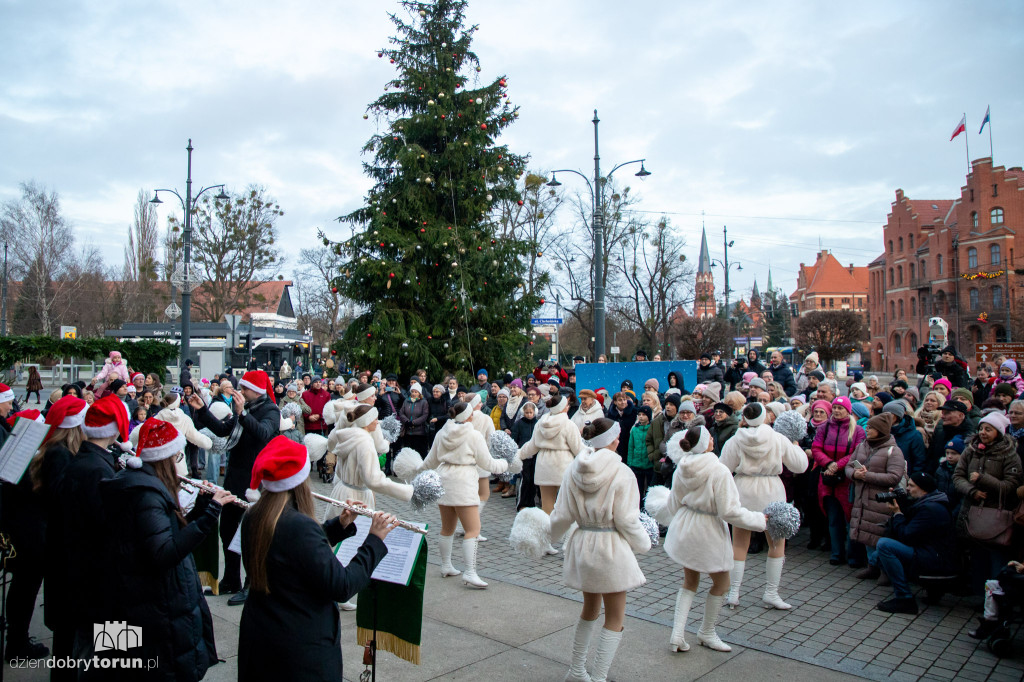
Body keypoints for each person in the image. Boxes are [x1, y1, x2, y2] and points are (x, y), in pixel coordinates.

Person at [238, 435, 396, 681]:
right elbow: (342, 585)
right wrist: (374, 540)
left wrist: (340, 524)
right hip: (299, 646)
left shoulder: (255, 515)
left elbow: (292, 551)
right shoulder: (299, 526)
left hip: (262, 636)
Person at [97, 419, 231, 680]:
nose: (178, 462)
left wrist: (203, 505)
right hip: (152, 605)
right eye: (176, 455)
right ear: (165, 459)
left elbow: (169, 534)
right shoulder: (147, 495)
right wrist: (211, 514)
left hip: (140, 599)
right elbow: (164, 553)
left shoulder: (138, 483)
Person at [551, 418, 651, 682]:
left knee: (589, 609)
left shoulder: (573, 469)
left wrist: (547, 538)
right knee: (615, 616)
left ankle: (576, 670)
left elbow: (561, 515)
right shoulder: (623, 472)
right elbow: (627, 519)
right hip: (610, 546)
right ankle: (599, 677)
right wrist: (644, 543)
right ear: (615, 440)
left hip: (583, 543)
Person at [663, 426, 767, 653]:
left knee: (690, 581)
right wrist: (760, 519)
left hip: (685, 526)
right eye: (709, 437)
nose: (712, 439)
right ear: (704, 444)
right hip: (708, 530)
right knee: (722, 583)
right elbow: (729, 511)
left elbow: (673, 503)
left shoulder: (682, 466)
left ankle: (677, 634)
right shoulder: (719, 471)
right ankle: (706, 632)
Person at [0, 395, 86, 664]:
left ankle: (17, 639)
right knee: (26, 589)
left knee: (24, 588)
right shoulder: (59, 453)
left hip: (27, 526)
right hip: (33, 532)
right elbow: (58, 499)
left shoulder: (49, 448)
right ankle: (16, 643)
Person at [192, 370, 280, 605]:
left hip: (255, 481)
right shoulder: (248, 409)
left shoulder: (270, 410)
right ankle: (231, 579)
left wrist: (241, 414)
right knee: (228, 529)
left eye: (245, 389)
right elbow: (223, 430)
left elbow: (263, 433)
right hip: (234, 477)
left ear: (257, 390)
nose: (240, 392)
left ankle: (253, 584)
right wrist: (202, 410)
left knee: (252, 535)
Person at [54, 396, 129, 665]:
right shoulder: (99, 470)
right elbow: (110, 528)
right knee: (112, 658)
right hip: (99, 580)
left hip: (75, 574)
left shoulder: (82, 459)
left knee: (72, 648)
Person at [720, 402, 808, 609]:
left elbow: (723, 468)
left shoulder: (736, 440)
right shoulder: (779, 439)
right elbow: (800, 465)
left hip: (743, 488)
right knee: (777, 543)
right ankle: (771, 592)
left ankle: (734, 593)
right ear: (765, 417)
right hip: (772, 489)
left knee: (739, 542)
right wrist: (794, 444)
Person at [422, 402, 518, 588]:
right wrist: (507, 464)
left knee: (447, 528)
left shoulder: (442, 433)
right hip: (464, 481)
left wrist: (415, 469)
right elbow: (488, 463)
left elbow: (430, 460)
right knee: (473, 529)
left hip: (444, 479)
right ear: (467, 416)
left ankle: (446, 565)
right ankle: (470, 572)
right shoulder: (473, 435)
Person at [952, 412, 1023, 594]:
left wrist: (983, 480)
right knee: (978, 557)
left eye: (988, 429)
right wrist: (972, 490)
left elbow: (1011, 485)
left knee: (996, 557)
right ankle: (980, 595)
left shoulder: (1009, 455)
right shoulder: (971, 450)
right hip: (973, 510)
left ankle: (995, 597)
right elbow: (958, 476)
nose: (983, 432)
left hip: (997, 515)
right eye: (981, 428)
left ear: (998, 432)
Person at [869, 472, 956, 614]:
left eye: (911, 486)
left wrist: (897, 513)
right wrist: (901, 501)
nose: (907, 489)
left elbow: (906, 535)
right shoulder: (933, 502)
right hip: (936, 554)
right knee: (877, 556)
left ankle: (904, 598)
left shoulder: (930, 509)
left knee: (884, 546)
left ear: (923, 489)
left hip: (934, 559)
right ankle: (933, 592)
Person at [845, 414, 906, 579]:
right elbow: (849, 466)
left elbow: (894, 476)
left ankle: (885, 569)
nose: (867, 429)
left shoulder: (893, 451)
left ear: (880, 431)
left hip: (880, 501)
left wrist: (867, 476)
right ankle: (872, 565)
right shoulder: (862, 446)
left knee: (879, 534)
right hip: (862, 498)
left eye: (871, 427)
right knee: (866, 534)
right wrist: (855, 474)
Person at [812, 396, 866, 566]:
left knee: (850, 519)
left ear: (848, 411)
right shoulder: (825, 428)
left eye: (840, 408)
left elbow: (858, 452)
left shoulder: (857, 430)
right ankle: (837, 553)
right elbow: (816, 448)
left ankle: (853, 555)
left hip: (847, 480)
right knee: (833, 519)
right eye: (834, 408)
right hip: (828, 479)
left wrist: (837, 465)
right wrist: (828, 463)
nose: (836, 411)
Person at [517, 395, 583, 516]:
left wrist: (519, 455)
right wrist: (593, 454)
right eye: (567, 405)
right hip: (563, 466)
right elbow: (578, 448)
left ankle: (547, 532)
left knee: (547, 507)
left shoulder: (541, 423)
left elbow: (532, 446)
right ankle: (565, 533)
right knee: (567, 506)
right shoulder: (569, 424)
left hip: (543, 466)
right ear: (563, 408)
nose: (568, 407)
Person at [926, 400, 975, 476]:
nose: (942, 416)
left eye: (947, 413)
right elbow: (931, 456)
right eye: (942, 413)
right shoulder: (940, 431)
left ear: (961, 415)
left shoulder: (969, 437)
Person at [884, 401, 927, 475]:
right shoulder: (882, 431)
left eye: (889, 414)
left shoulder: (914, 435)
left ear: (897, 415)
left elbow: (919, 461)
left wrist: (912, 480)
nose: (885, 417)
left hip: (904, 477)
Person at [509, 400, 540, 503]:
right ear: (523, 413)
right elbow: (514, 438)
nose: (529, 415)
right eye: (527, 413)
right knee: (525, 479)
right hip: (523, 454)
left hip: (536, 455)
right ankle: (522, 501)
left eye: (531, 412)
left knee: (534, 479)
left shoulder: (538, 423)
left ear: (535, 412)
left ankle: (533, 500)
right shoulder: (519, 424)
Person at [627, 405, 654, 503]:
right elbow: (631, 447)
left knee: (649, 488)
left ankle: (648, 506)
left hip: (649, 464)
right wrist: (630, 462)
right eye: (639, 415)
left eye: (644, 415)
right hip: (636, 463)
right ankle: (639, 506)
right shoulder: (634, 429)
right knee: (638, 488)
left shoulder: (652, 428)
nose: (641, 417)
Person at [606, 391, 637, 463]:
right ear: (615, 402)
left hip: (630, 444)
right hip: (617, 446)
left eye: (624, 399)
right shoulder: (610, 414)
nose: (623, 402)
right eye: (620, 400)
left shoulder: (634, 412)